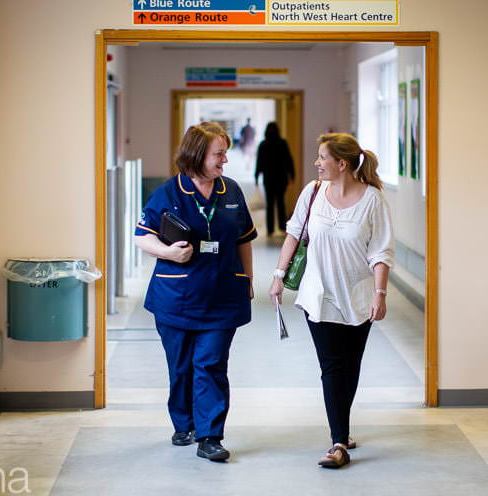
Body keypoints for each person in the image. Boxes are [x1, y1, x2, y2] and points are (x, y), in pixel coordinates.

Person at [269, 133, 394, 469]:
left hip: (358, 296)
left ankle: (343, 426)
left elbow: (381, 251)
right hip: (318, 293)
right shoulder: (312, 192)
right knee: (332, 367)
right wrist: (279, 276)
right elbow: (295, 232)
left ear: (342, 163)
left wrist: (380, 295)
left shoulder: (373, 200)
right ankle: (339, 442)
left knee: (350, 365)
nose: (316, 163)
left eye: (322, 157)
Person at [135, 122, 257, 462]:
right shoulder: (168, 192)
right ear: (198, 155)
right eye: (219, 154)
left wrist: (247, 278)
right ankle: (184, 423)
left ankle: (210, 436)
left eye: (225, 153)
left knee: (211, 363)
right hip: (176, 296)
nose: (225, 161)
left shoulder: (231, 191)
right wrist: (170, 253)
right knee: (182, 366)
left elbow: (244, 238)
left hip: (222, 293)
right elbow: (141, 236)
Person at [255, 122, 295, 236]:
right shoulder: (282, 143)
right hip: (281, 178)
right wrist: (292, 175)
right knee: (281, 202)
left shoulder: (263, 144)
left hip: (268, 178)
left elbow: (259, 162)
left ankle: (270, 229)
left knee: (270, 203)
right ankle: (282, 227)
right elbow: (289, 160)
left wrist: (256, 176)